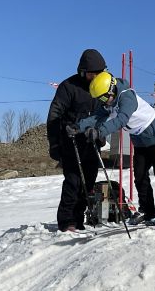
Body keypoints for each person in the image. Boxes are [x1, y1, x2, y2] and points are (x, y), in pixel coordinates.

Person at [76, 71, 155, 224]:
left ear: (112, 89)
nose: (103, 102)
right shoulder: (109, 101)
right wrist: (78, 126)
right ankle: (148, 210)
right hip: (140, 140)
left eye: (104, 98)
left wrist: (100, 132)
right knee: (139, 176)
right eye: (100, 99)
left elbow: (121, 120)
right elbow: (98, 116)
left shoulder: (127, 97)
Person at [46, 49, 106, 232]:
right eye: (90, 73)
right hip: (71, 141)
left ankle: (78, 220)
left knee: (88, 183)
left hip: (91, 142)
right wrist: (54, 143)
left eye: (97, 73)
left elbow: (105, 114)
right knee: (73, 182)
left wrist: (101, 136)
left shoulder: (102, 85)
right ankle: (67, 221)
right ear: (82, 71)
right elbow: (54, 114)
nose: (94, 77)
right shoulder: (68, 86)